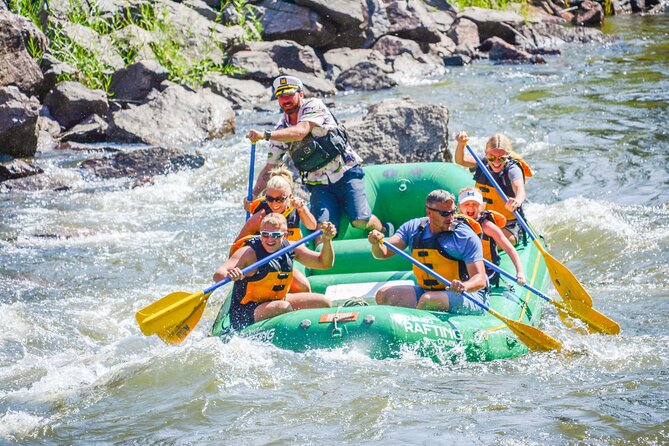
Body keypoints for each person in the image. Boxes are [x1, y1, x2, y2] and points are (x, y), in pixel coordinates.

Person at [244, 74, 389, 240]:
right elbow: (270, 168)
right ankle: (325, 262)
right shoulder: (281, 129)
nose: (286, 100)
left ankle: (384, 230)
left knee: (359, 220)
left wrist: (265, 134)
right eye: (281, 97)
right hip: (319, 184)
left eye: (290, 95)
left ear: (300, 94)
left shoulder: (313, 106)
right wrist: (254, 195)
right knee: (322, 230)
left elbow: (300, 132)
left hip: (346, 173)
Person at [367, 190, 488, 314]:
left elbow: (480, 279)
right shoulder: (413, 228)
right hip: (429, 292)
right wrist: (376, 243)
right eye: (445, 213)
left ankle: (416, 326)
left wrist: (464, 286)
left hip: (468, 295)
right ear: (429, 212)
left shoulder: (464, 236)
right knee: (383, 295)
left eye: (453, 212)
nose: (451, 217)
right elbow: (382, 253)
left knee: (428, 300)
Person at [213, 213, 336, 330]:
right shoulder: (249, 253)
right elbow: (218, 274)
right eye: (265, 234)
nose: (269, 239)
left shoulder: (292, 248)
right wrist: (230, 274)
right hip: (246, 311)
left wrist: (327, 241)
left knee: (323, 302)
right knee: (283, 307)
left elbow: (324, 263)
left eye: (276, 235)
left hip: (277, 301)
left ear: (285, 235)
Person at [231, 166, 317, 293]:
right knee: (302, 286)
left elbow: (312, 226)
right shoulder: (259, 218)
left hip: (283, 258)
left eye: (280, 199)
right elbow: (237, 246)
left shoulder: (296, 208)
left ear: (289, 197)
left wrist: (302, 209)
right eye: (270, 199)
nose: (275, 203)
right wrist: (237, 268)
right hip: (261, 261)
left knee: (304, 287)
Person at [454, 131, 533, 245]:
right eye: (492, 157)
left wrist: (517, 200)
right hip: (483, 218)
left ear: (507, 156)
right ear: (486, 154)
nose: (496, 162)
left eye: (501, 158)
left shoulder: (513, 170)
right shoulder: (482, 162)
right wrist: (461, 144)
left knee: (486, 242)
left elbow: (519, 190)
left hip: (509, 225)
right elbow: (460, 160)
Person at [457, 186, 526, 287]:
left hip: (486, 270)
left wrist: (520, 272)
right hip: (463, 269)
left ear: (481, 206)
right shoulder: (454, 223)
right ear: (459, 206)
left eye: (475, 204)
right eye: (466, 204)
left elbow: (510, 249)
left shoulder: (487, 226)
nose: (471, 207)